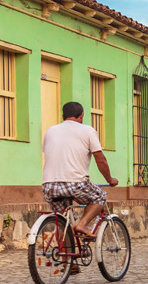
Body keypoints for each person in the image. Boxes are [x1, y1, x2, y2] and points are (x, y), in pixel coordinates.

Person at [42, 102, 118, 240]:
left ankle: (65, 259)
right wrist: (109, 179)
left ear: (63, 115)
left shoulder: (50, 131)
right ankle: (82, 225)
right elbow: (100, 160)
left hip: (49, 186)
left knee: (62, 222)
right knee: (100, 196)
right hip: (75, 183)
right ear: (81, 115)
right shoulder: (87, 131)